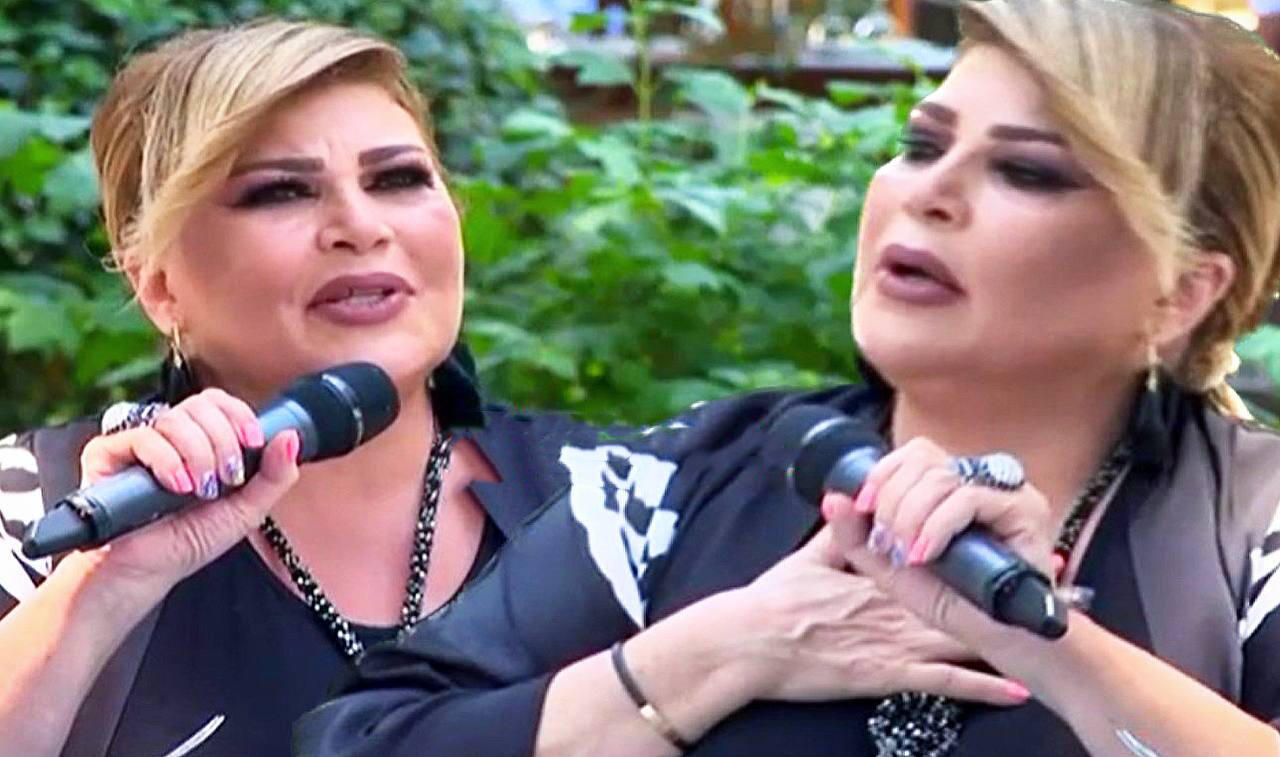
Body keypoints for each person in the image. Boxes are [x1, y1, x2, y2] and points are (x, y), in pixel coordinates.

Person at [294, 1, 1280, 755]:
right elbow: (361, 737)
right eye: (921, 144)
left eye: (1027, 171)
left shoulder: (1249, 525)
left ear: (1181, 292)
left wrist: (1038, 634)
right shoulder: (683, 482)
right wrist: (726, 648)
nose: (929, 192)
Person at [0, 20, 610, 757]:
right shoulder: (31, 512)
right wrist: (100, 588)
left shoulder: (626, 499)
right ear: (158, 285)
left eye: (398, 178)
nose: (360, 225)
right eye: (280, 191)